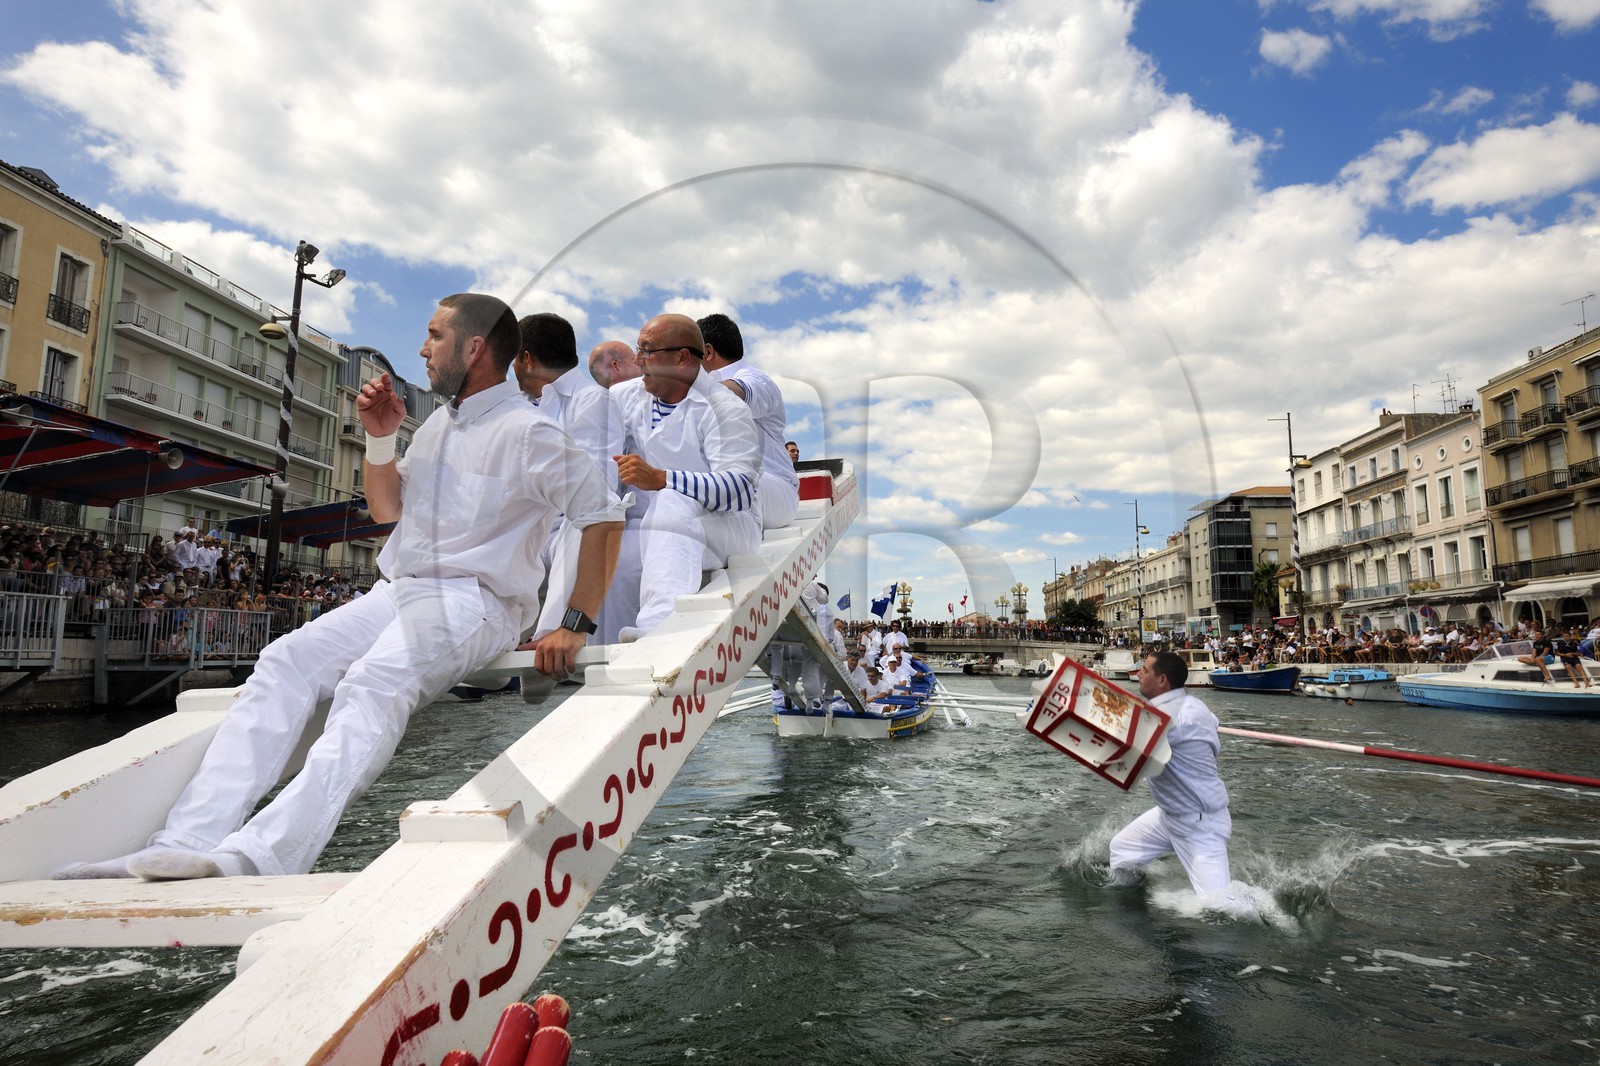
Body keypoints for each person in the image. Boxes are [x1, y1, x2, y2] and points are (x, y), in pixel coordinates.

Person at [54, 294, 623, 882]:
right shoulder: (435, 428)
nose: (423, 349)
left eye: (433, 335)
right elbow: (386, 511)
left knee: (372, 683)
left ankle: (259, 856)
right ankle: (182, 841)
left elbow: (604, 517)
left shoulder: (531, 431)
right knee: (284, 660)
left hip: (473, 600)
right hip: (397, 592)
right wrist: (380, 439)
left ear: (474, 348)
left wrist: (573, 624)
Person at [610, 314, 761, 638]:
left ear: (682, 358)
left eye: (647, 350)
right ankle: (588, 656)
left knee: (673, 500)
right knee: (613, 545)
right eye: (638, 349)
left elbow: (741, 490)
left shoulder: (724, 407)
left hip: (728, 527)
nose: (637, 361)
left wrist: (664, 478)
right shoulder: (626, 397)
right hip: (661, 526)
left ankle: (657, 629)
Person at [1108, 650, 1233, 895]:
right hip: (1170, 814)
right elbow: (1212, 720)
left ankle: (1274, 918)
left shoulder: (1164, 719)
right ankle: (1132, 899)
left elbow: (1124, 760)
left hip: (1200, 823)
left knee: (1220, 907)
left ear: (1162, 680)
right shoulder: (1195, 705)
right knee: (1122, 849)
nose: (1139, 673)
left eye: (1145, 670)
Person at [697, 313, 799, 530]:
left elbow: (736, 392)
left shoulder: (757, 379)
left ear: (707, 352)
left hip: (776, 490)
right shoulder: (702, 385)